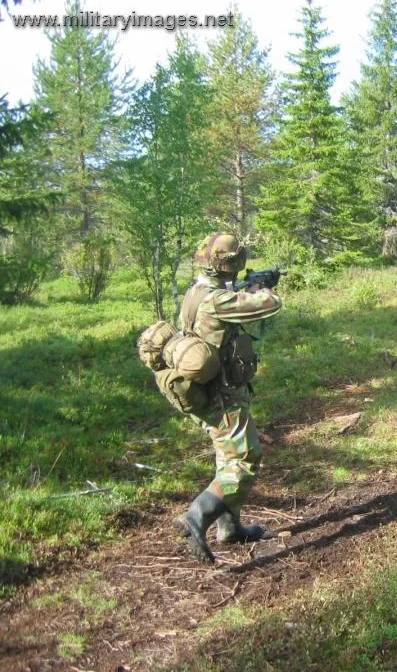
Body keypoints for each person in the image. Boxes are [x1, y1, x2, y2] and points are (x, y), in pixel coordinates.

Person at [174, 232, 283, 563]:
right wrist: (261, 286)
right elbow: (270, 305)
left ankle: (229, 527)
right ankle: (196, 517)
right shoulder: (217, 300)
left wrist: (244, 286)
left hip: (209, 391)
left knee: (228, 456)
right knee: (244, 460)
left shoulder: (198, 292)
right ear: (233, 264)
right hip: (222, 396)